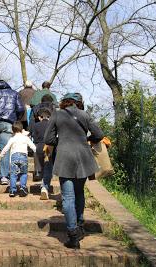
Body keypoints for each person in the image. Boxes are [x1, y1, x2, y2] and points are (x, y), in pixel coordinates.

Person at [44, 92, 104, 249]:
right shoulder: (85, 115)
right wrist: (86, 139)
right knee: (79, 193)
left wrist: (62, 140)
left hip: (64, 158)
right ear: (79, 103)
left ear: (65, 102)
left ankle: (73, 236)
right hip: (83, 158)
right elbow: (99, 134)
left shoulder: (57, 114)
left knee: (68, 197)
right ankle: (80, 225)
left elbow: (48, 140)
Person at [0, 121, 36, 197]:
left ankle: (12, 190)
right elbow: (33, 147)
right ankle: (22, 188)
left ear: (13, 130)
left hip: (14, 157)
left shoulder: (12, 138)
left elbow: (6, 148)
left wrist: (1, 156)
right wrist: (38, 153)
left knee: (13, 174)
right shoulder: (25, 138)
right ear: (22, 129)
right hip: (23, 157)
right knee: (23, 173)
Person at [29, 94, 57, 181]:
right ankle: (50, 172)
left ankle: (38, 171)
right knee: (50, 154)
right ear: (51, 101)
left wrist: (31, 132)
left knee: (37, 153)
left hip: (37, 132)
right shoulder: (53, 108)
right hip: (50, 132)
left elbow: (31, 120)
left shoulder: (36, 107)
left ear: (41, 100)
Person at [32, 108, 53, 200]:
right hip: (48, 147)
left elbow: (34, 138)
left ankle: (38, 175)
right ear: (49, 117)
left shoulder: (36, 125)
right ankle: (44, 184)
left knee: (40, 164)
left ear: (40, 117)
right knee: (48, 165)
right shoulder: (51, 125)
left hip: (39, 146)